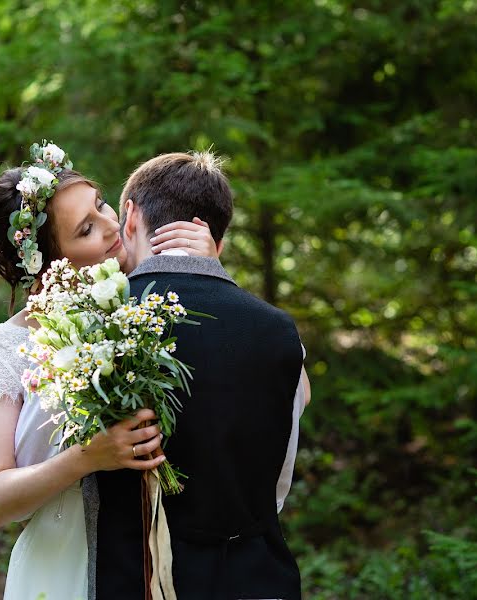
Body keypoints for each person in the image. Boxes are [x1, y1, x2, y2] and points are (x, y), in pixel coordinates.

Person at [0, 143, 220, 600]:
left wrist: (209, 273)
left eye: (101, 203)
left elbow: (290, 385)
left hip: (167, 557)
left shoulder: (148, 305)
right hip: (61, 567)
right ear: (47, 265)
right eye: (86, 229)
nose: (112, 225)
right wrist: (86, 457)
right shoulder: (4, 350)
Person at [91, 151, 311, 599]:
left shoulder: (94, 325)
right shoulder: (277, 331)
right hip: (259, 578)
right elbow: (277, 481)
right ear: (219, 242)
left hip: (140, 580)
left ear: (129, 216)